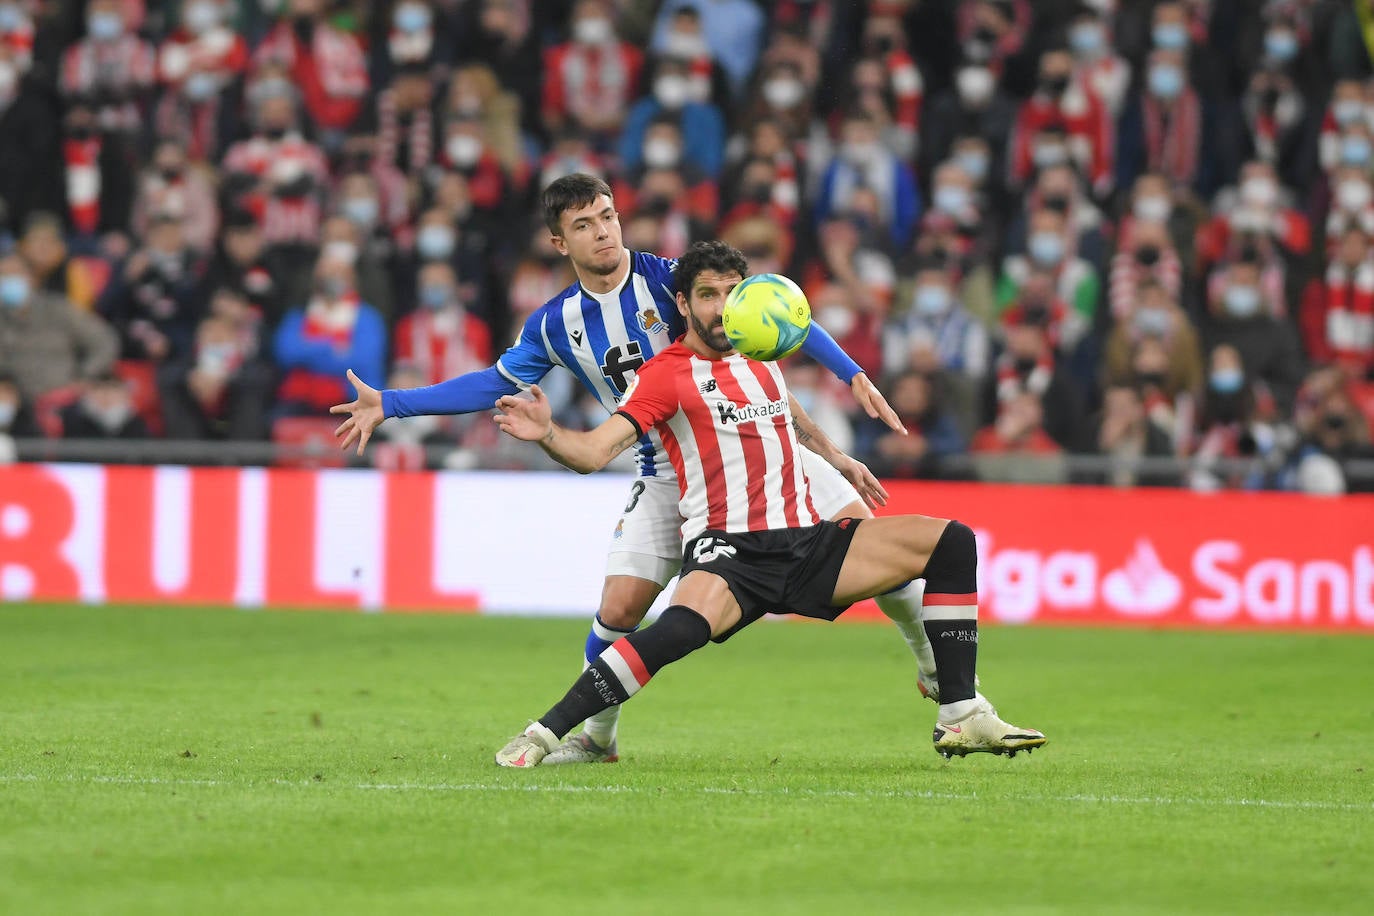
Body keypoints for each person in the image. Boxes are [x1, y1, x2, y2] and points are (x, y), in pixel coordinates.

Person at [332, 173, 942, 765]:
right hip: (665, 469)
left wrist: (851, 374)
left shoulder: (668, 280)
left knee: (868, 539)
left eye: (608, 217)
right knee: (620, 610)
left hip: (749, 442)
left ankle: (938, 673)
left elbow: (770, 313)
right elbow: (497, 382)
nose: (602, 233)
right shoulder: (555, 324)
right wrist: (391, 404)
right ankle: (597, 737)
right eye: (584, 225)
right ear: (559, 243)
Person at [489, 240, 1046, 767]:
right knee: (673, 633)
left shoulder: (761, 353)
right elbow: (592, 452)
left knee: (952, 542)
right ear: (682, 303)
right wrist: (547, 433)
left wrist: (838, 457)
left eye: (733, 291)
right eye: (708, 295)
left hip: (807, 542)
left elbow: (789, 418)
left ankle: (961, 711)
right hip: (731, 553)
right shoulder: (665, 376)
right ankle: (544, 733)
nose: (724, 307)